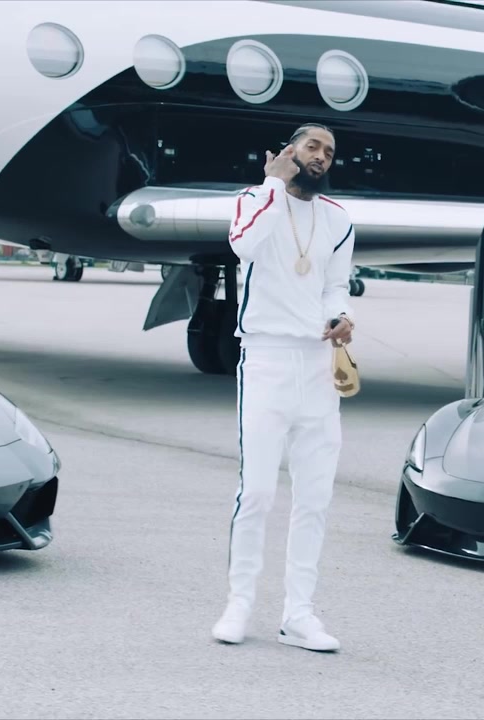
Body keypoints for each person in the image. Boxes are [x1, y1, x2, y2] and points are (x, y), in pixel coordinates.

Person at [211, 123, 356, 652]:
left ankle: (299, 614)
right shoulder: (254, 199)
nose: (321, 157)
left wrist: (341, 315)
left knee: (314, 497)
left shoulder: (338, 219)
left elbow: (334, 285)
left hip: (318, 365)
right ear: (290, 150)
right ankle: (239, 604)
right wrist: (273, 184)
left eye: (329, 152)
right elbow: (243, 245)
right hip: (267, 358)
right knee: (257, 492)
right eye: (312, 146)